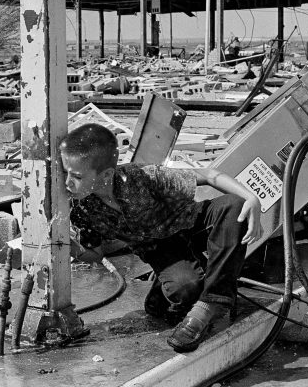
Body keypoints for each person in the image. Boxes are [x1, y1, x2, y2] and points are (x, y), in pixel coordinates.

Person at [61, 123, 262, 353]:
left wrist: (251, 198)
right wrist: (72, 248)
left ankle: (212, 302)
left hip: (187, 223)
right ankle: (171, 290)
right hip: (160, 249)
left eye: (76, 176)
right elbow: (95, 254)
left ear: (106, 174)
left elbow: (209, 175)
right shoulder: (83, 210)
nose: (67, 182)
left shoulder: (140, 178)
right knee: (185, 289)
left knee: (234, 206)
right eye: (65, 172)